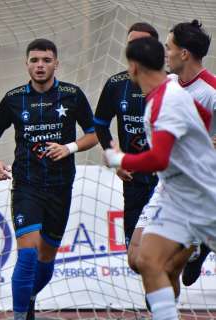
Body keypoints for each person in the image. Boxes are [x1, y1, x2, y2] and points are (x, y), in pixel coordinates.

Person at [0, 38, 98, 320]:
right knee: (28, 255)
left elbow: (96, 134)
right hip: (26, 186)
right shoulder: (13, 98)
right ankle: (20, 316)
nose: (40, 65)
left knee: (46, 260)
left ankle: (30, 297)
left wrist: (69, 148)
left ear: (56, 63)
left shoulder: (72, 95)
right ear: (27, 64)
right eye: (34, 60)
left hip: (60, 187)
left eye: (46, 60)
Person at [103, 36, 216, 320]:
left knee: (151, 261)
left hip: (205, 196)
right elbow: (201, 118)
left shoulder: (166, 100)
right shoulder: (169, 92)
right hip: (180, 197)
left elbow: (159, 159)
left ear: (132, 67)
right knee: (148, 260)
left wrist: (118, 159)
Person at [93, 22, 160, 257]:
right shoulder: (115, 84)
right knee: (135, 256)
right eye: (131, 43)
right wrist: (116, 158)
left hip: (168, 181)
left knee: (161, 254)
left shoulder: (173, 84)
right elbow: (100, 124)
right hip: (133, 178)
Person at [164, 20, 215, 287]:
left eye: (168, 47)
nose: (165, 53)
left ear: (184, 53)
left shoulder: (211, 91)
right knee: (138, 259)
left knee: (163, 266)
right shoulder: (169, 83)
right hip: (171, 183)